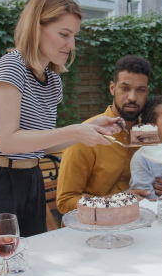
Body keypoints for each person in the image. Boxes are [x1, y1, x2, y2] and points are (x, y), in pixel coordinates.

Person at [0, 0, 124, 252]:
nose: (72, 45)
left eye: (74, 36)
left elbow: (39, 146)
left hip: (30, 179)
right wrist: (75, 132)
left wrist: (89, 129)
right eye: (64, 35)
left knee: (30, 268)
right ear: (36, 27)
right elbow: (8, 141)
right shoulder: (11, 67)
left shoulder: (52, 81)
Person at [56, 55, 153, 214]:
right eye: (125, 88)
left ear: (147, 92)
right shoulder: (86, 134)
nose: (132, 97)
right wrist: (118, 200)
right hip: (91, 230)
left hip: (138, 223)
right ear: (112, 88)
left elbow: (154, 180)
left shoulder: (147, 133)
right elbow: (65, 202)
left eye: (140, 90)